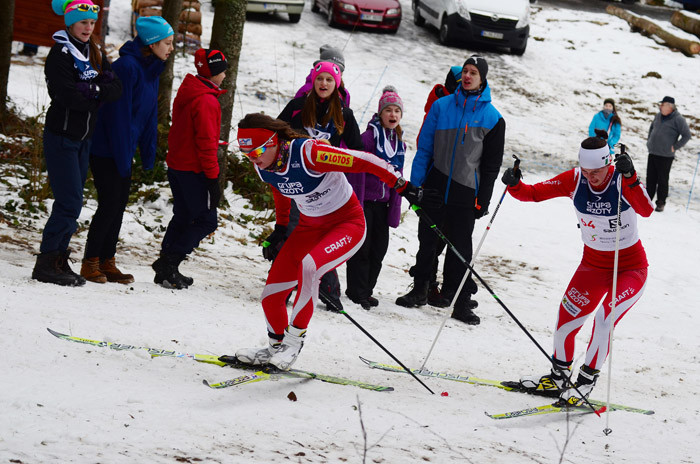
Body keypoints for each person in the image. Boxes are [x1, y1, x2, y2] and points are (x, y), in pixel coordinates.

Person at [228, 113, 435, 370]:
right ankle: (275, 347)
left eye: (257, 149)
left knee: (309, 267)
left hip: (347, 224)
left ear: (273, 141)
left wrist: (401, 184)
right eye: (246, 152)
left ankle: (293, 343)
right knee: (271, 294)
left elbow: (364, 160)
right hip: (308, 228)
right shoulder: (263, 166)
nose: (253, 157)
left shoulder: (310, 153)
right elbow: (279, 188)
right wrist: (281, 228)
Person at [502, 129, 654, 406]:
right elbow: (534, 194)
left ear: (609, 163)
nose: (590, 177)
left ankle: (585, 381)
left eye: (596, 171)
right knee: (565, 322)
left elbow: (646, 209)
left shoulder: (622, 180)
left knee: (604, 319)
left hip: (630, 268)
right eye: (586, 170)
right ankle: (558, 377)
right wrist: (515, 185)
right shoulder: (575, 179)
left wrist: (632, 177)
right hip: (592, 267)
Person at [396, 55, 506, 326]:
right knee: (427, 242)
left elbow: (491, 166)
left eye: (473, 73)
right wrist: (416, 187)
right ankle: (420, 288)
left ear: (483, 79)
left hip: (465, 193)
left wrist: (484, 199)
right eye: (465, 71)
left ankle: (458, 302)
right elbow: (424, 149)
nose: (467, 76)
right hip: (435, 185)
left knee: (460, 249)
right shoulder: (442, 106)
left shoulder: (493, 118)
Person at [32, 0, 122, 286]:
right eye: (83, 22)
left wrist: (92, 88)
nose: (88, 27)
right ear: (70, 23)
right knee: (69, 201)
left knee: (73, 202)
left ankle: (58, 259)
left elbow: (115, 88)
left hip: (84, 138)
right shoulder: (60, 53)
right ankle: (46, 262)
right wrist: (96, 91)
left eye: (92, 23)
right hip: (61, 136)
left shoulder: (93, 52)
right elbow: (67, 95)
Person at [80, 16, 174, 284]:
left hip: (123, 148)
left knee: (118, 205)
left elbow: (148, 115)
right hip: (106, 147)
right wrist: (123, 156)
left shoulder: (152, 68)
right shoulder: (128, 67)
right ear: (152, 43)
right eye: (167, 43)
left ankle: (108, 261)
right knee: (109, 204)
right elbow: (117, 117)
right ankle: (90, 262)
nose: (171, 48)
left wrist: (147, 152)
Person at [277, 60, 363, 311]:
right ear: (313, 82)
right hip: (296, 182)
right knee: (295, 235)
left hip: (326, 187)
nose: (323, 83)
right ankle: (284, 287)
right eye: (319, 79)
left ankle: (329, 291)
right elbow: (277, 133)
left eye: (328, 80)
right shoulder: (297, 107)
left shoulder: (344, 114)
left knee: (322, 237)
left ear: (336, 84)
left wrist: (337, 160)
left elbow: (357, 151)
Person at [150, 49, 227, 289]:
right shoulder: (206, 100)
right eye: (222, 69)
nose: (225, 74)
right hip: (194, 171)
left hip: (178, 165)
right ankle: (170, 263)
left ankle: (164, 266)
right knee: (207, 220)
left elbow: (189, 133)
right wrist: (213, 179)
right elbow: (205, 145)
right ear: (213, 72)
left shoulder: (190, 91)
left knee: (183, 215)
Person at [344, 86, 406, 309]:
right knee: (363, 248)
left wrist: (395, 205)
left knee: (379, 249)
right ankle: (356, 291)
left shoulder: (399, 144)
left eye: (397, 111)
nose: (393, 115)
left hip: (383, 204)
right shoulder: (369, 138)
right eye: (388, 110)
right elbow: (357, 171)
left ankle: (367, 290)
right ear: (380, 113)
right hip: (365, 202)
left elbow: (399, 176)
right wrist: (356, 203)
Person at [645, 96, 692, 212]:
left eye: (663, 104)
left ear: (670, 107)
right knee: (650, 178)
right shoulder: (658, 115)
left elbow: (687, 135)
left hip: (666, 156)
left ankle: (660, 203)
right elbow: (651, 128)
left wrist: (675, 147)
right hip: (653, 152)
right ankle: (646, 200)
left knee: (662, 180)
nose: (660, 106)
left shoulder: (678, 119)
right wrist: (649, 141)